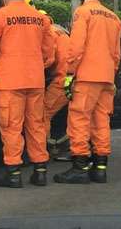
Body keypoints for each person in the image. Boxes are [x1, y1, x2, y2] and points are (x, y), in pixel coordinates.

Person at [0, 0, 54, 188]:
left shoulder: (0, 15)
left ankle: (13, 173)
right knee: (36, 125)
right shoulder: (40, 18)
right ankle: (40, 171)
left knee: (11, 126)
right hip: (35, 80)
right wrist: (38, 64)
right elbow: (49, 52)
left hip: (11, 80)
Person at [54, 0, 121, 184]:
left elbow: (76, 48)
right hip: (107, 77)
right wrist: (112, 73)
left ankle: (80, 166)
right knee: (101, 121)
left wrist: (69, 74)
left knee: (79, 120)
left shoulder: (82, 13)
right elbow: (116, 53)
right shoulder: (114, 18)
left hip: (86, 76)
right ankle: (100, 167)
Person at [39, 10, 71, 160]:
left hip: (63, 80)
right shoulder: (59, 31)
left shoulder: (49, 33)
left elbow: (49, 60)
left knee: (42, 113)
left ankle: (42, 150)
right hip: (73, 77)